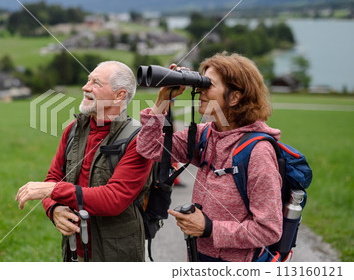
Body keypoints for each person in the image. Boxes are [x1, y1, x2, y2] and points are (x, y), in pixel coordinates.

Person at [136, 52, 283, 262]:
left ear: (234, 97)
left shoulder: (258, 152)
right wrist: (162, 101)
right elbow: (149, 148)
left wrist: (210, 228)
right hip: (198, 256)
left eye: (208, 84)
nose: (200, 91)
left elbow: (269, 230)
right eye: (200, 83)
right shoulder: (206, 135)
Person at [15, 61, 152, 262]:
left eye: (96, 82)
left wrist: (52, 190)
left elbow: (113, 199)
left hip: (117, 256)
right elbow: (53, 177)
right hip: (74, 251)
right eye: (88, 80)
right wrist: (53, 209)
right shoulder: (72, 130)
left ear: (119, 95)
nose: (85, 87)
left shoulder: (138, 139)